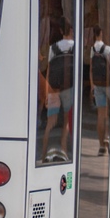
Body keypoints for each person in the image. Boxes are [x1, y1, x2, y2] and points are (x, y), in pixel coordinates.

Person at [41, 18, 76, 159]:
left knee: (50, 123)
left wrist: (47, 91)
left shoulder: (53, 48)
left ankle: (43, 155)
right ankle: (64, 151)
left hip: (54, 88)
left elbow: (49, 71)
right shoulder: (75, 47)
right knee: (67, 121)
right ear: (71, 30)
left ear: (61, 31)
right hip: (69, 88)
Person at [89, 25, 110, 155]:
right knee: (109, 114)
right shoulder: (108, 49)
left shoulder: (92, 49)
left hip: (97, 84)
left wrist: (92, 85)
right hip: (108, 84)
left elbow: (91, 69)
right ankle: (107, 139)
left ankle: (101, 146)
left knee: (100, 115)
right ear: (101, 34)